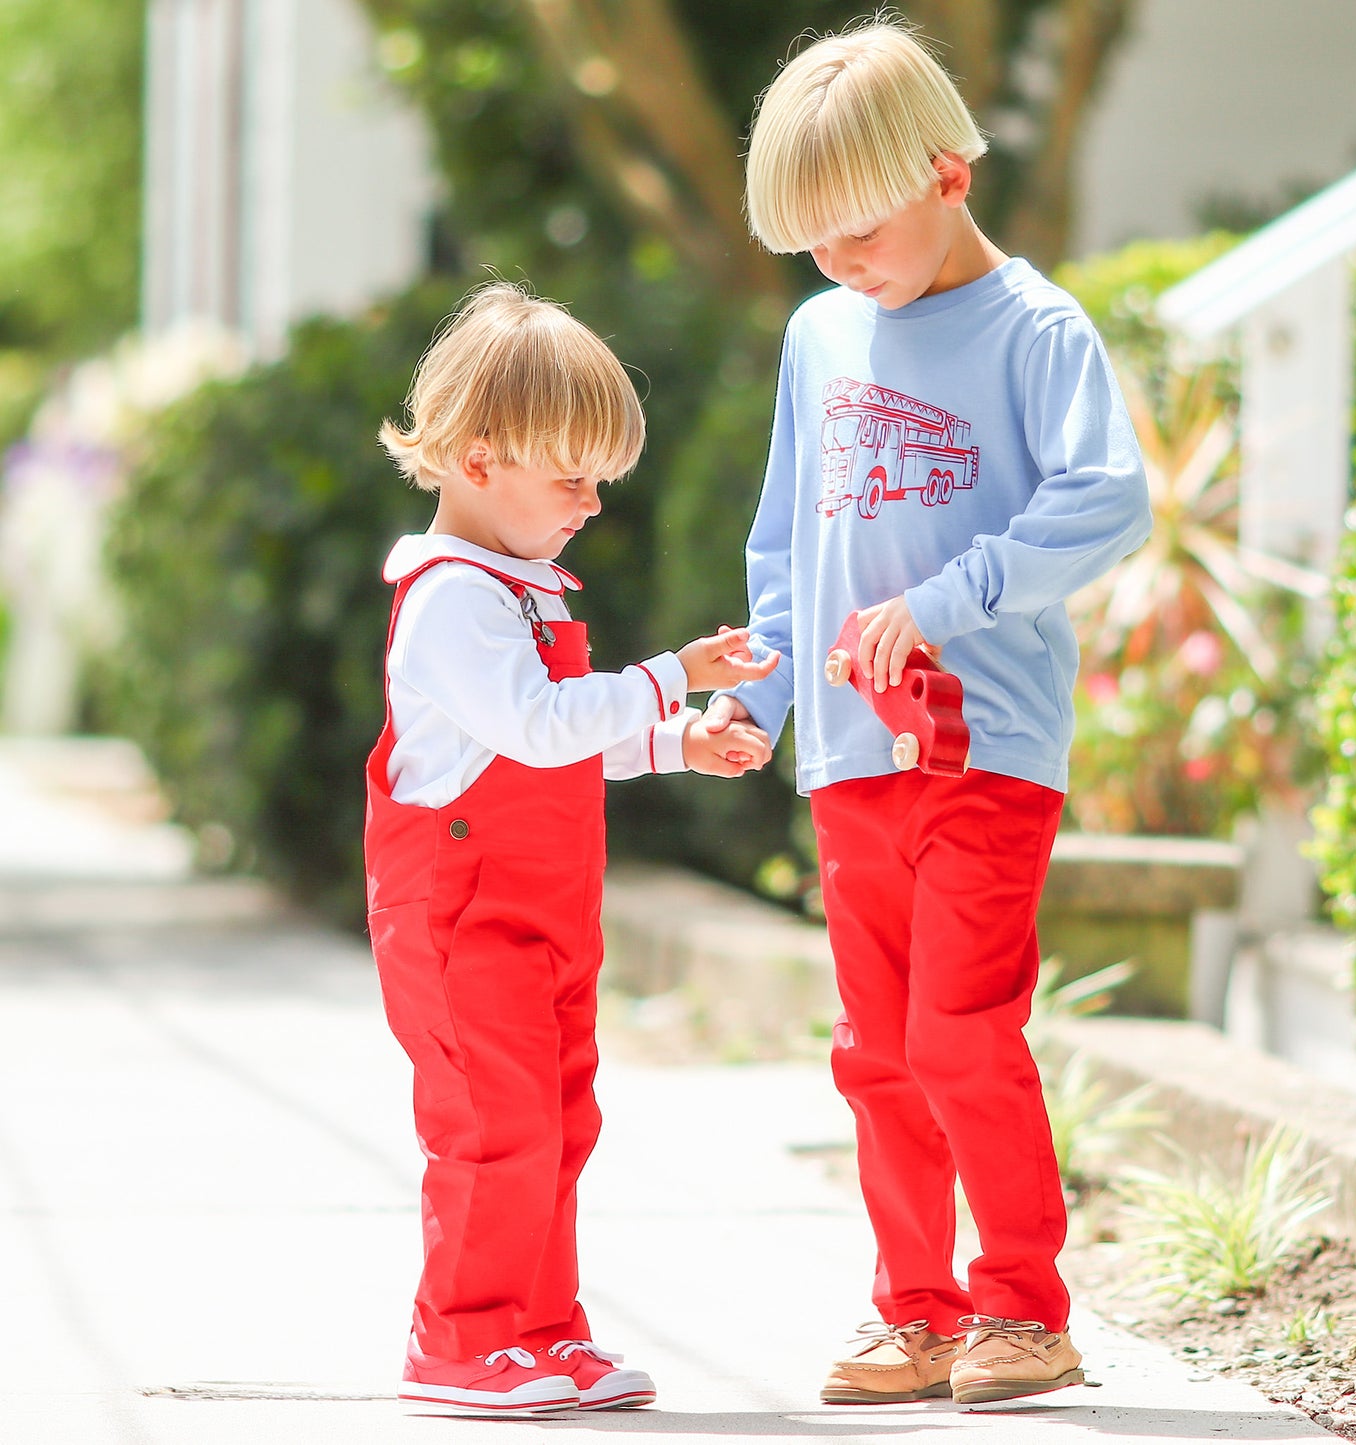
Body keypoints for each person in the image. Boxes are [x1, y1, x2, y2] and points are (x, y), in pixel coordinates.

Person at [704, 17, 1152, 1408]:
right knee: (875, 1051)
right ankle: (916, 1311)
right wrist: (764, 692)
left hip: (984, 745)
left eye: (858, 228)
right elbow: (788, 545)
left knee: (961, 1030)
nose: (838, 262)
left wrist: (953, 599)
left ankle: (1026, 1308)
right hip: (848, 754)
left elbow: (1105, 498)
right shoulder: (821, 333)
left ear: (949, 172)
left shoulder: (1036, 328)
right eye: (811, 242)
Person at [365, 281, 777, 1418]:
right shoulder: (452, 597)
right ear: (481, 457)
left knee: (554, 1120)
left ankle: (539, 1326)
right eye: (573, 476)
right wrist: (672, 676)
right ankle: (458, 1335)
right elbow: (539, 725)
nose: (592, 501)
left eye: (601, 476)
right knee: (492, 1126)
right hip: (460, 921)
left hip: (540, 918)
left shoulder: (521, 589)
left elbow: (555, 747)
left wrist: (671, 741)